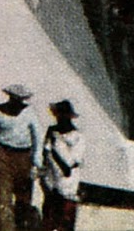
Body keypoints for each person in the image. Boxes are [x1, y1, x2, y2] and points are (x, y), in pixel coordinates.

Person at [0, 83, 42, 231]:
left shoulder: (30, 114)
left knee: (23, 198)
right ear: (10, 97)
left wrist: (36, 163)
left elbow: (37, 138)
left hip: (24, 157)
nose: (17, 102)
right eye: (14, 98)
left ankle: (22, 227)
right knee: (4, 199)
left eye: (20, 99)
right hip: (4, 155)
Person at [41, 99, 84, 231]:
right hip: (51, 180)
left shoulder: (77, 137)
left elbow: (69, 166)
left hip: (67, 184)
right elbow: (45, 152)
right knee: (49, 217)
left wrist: (55, 150)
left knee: (65, 220)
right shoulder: (52, 131)